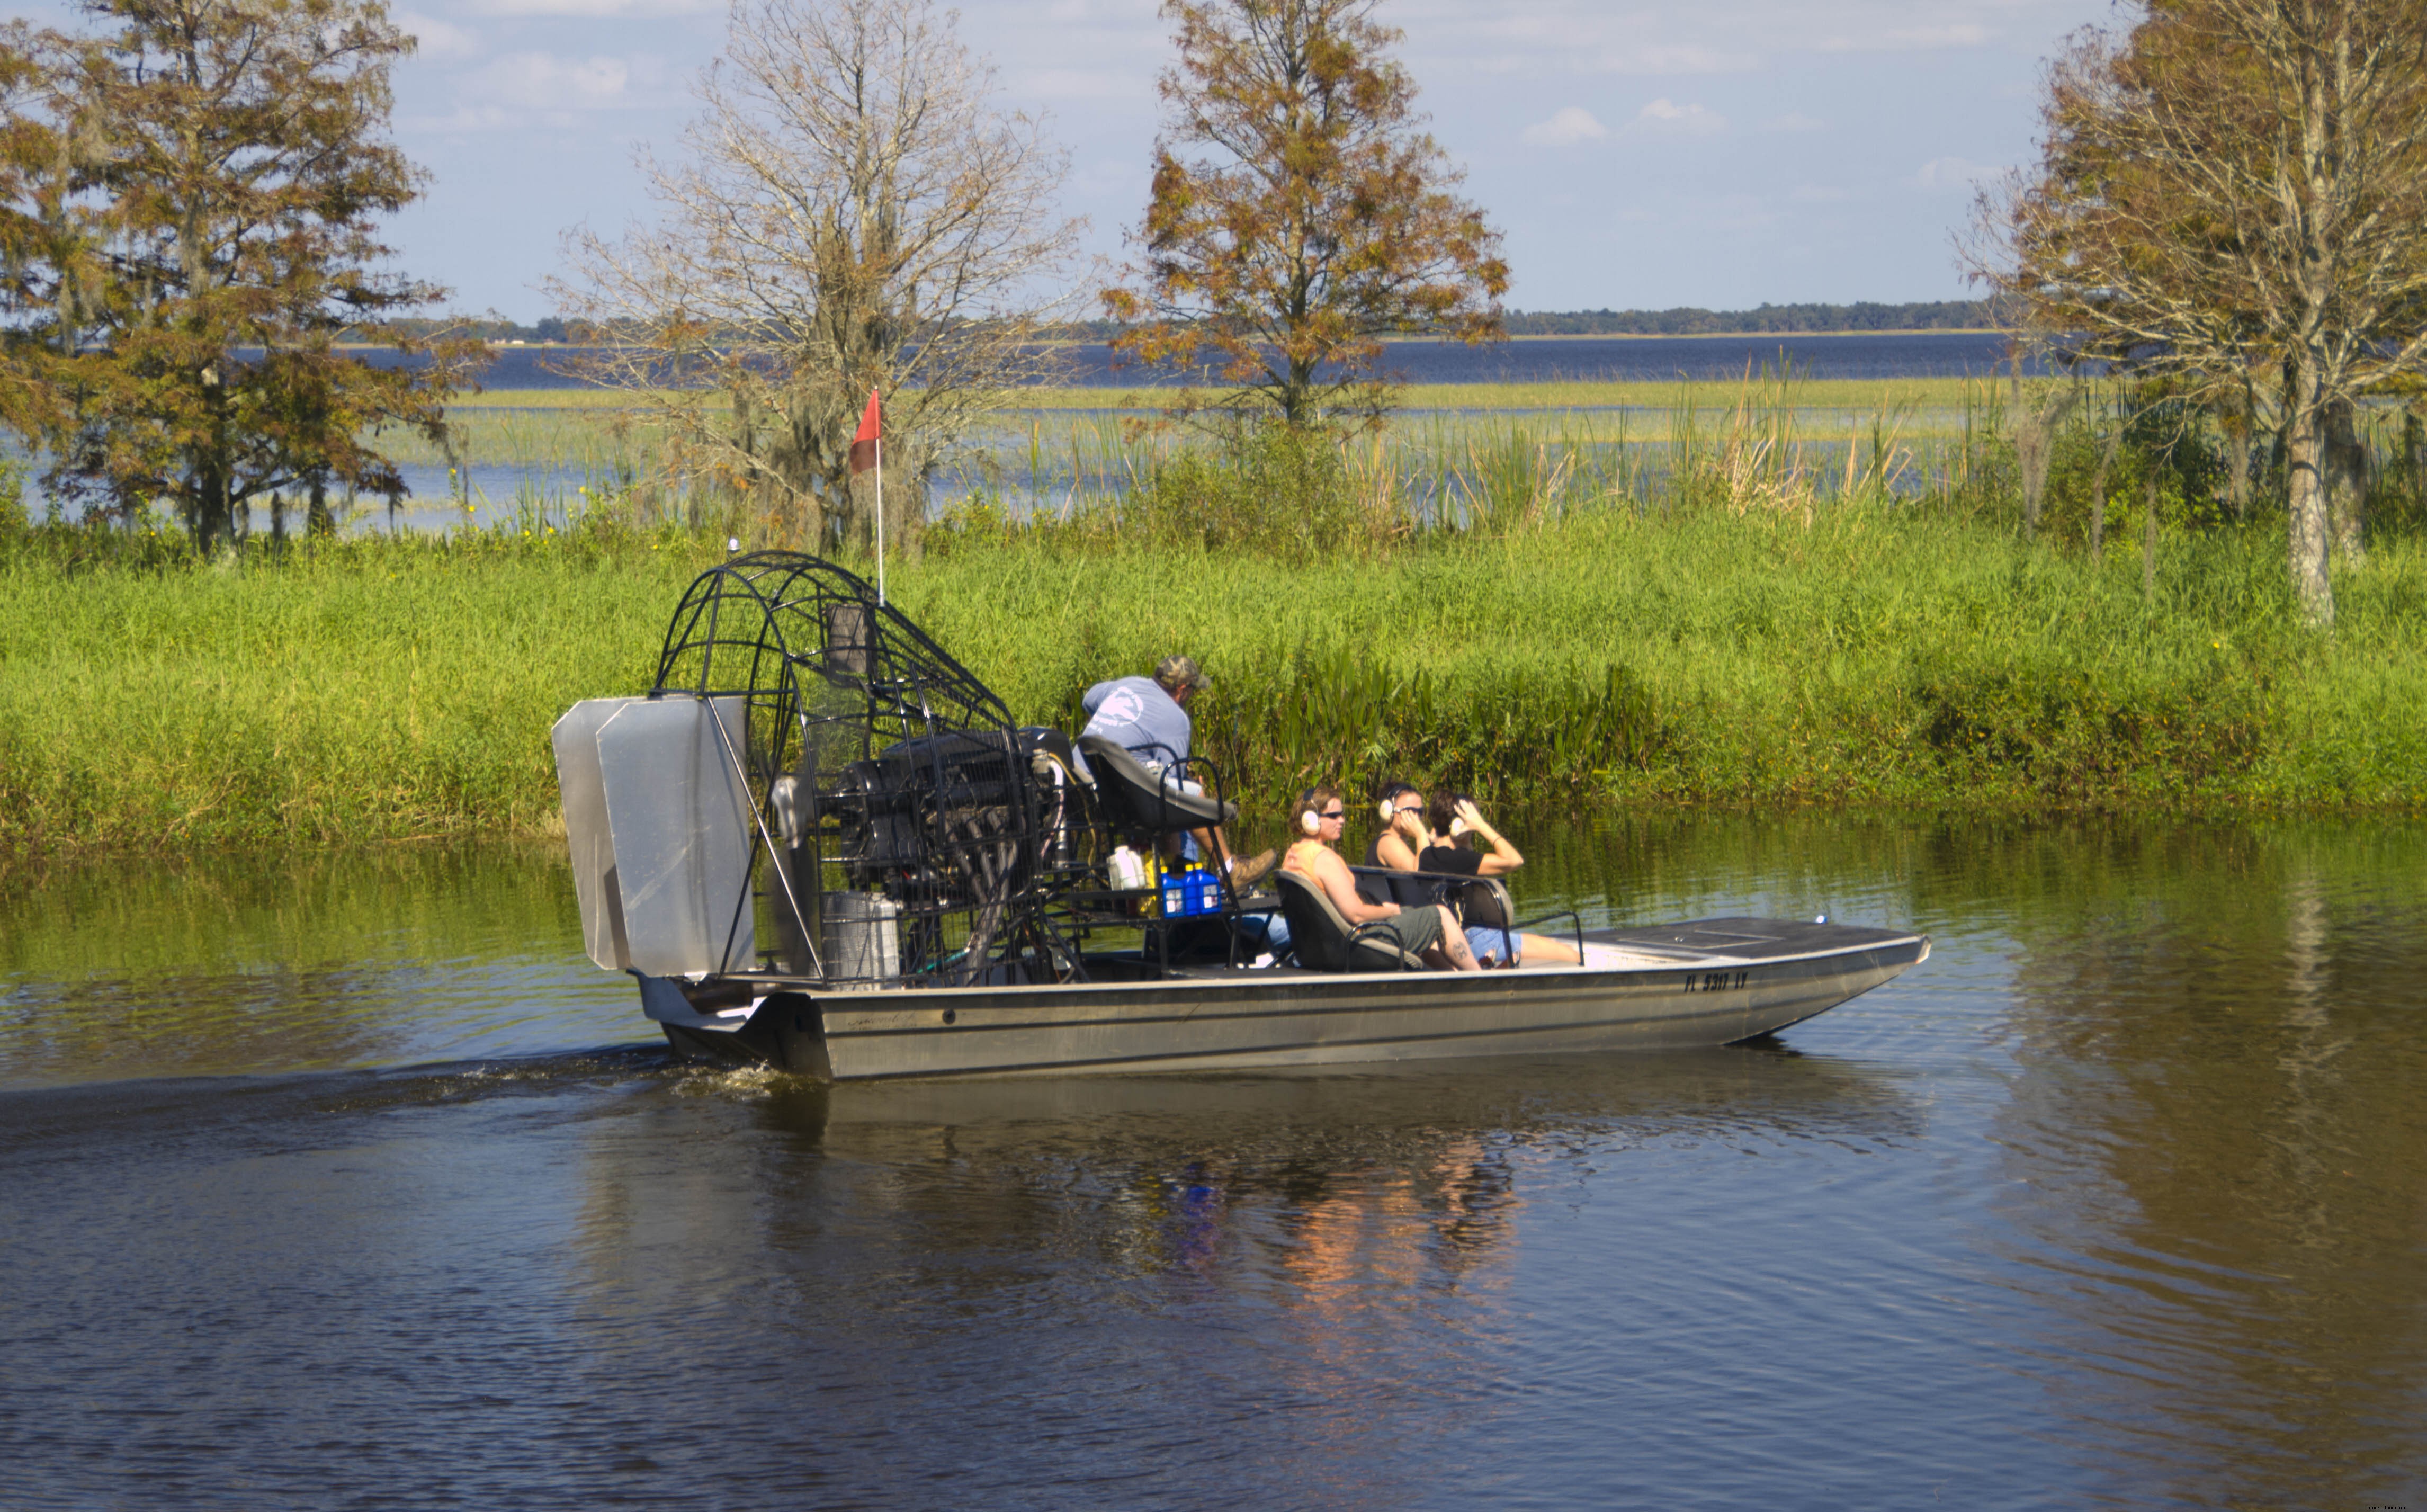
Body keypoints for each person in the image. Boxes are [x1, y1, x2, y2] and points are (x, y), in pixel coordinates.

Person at [1077, 654, 1273, 888]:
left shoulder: (1127, 684)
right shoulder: (1176, 719)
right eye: (1193, 690)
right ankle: (1230, 870)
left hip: (1080, 779)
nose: (1192, 695)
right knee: (1191, 794)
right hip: (1116, 797)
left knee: (1170, 787)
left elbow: (1088, 699)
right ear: (1182, 689)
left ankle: (1175, 869)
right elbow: (1175, 785)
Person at [1280, 784, 1480, 972]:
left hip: (1318, 950)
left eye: (1341, 814)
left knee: (1416, 917)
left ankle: (1449, 975)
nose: (1342, 820)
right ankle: (1481, 977)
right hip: (1357, 946)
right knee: (1441, 915)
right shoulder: (1324, 858)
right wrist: (1387, 910)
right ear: (1311, 820)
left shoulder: (1294, 855)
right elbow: (1356, 915)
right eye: (1334, 816)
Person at [1375, 789, 1582, 968]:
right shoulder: (1458, 860)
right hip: (1474, 939)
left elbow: (1433, 847)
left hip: (1441, 942)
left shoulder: (1426, 856)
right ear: (1461, 825)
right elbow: (1514, 860)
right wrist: (1481, 825)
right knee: (1572, 955)